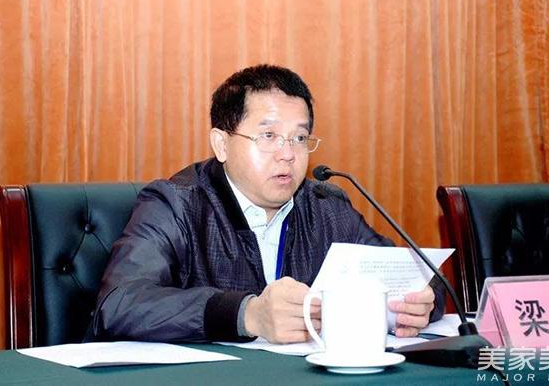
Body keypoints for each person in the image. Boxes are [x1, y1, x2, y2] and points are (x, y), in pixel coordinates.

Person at [92, 64, 444, 344]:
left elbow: (416, 276)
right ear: (222, 144)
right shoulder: (176, 204)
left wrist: (423, 301)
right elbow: (119, 304)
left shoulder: (326, 205)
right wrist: (246, 315)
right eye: (269, 136)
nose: (288, 154)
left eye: (299, 138)